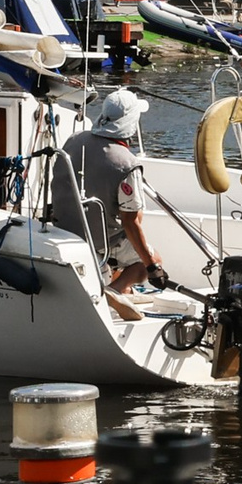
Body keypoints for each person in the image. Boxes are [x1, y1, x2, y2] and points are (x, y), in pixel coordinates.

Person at [50, 88, 161, 321]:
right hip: (99, 240)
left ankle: (118, 286)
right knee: (150, 258)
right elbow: (131, 223)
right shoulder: (127, 164)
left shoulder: (73, 141)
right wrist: (153, 268)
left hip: (64, 229)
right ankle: (114, 290)